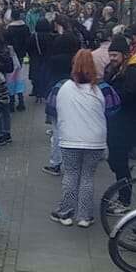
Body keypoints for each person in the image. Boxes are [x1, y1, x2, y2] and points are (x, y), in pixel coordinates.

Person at [49, 50, 108, 228]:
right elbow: (109, 109)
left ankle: (65, 212)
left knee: (71, 175)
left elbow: (52, 108)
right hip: (95, 140)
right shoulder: (100, 89)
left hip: (70, 139)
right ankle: (84, 216)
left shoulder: (62, 87)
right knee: (88, 177)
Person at [104, 35, 136, 198]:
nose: (112, 58)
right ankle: (124, 187)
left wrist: (109, 96)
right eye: (110, 55)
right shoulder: (113, 68)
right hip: (116, 123)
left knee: (119, 162)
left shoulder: (135, 70)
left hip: (127, 124)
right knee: (115, 161)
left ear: (124, 54)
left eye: (115, 55)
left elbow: (128, 95)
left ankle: (125, 198)